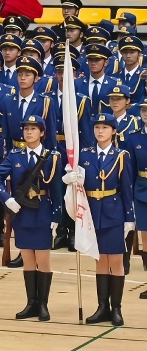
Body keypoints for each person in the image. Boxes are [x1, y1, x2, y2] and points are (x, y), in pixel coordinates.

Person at [0, 115, 62, 322]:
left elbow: (56, 188)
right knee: (28, 261)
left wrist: (57, 216)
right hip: (22, 211)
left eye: (33, 129)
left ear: (42, 133)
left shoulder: (52, 156)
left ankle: (43, 304)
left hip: (42, 210)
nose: (29, 132)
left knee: (43, 261)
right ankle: (31, 303)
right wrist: (7, 199)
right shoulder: (15, 156)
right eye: (26, 129)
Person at [67, 113, 133, 326]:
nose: (100, 131)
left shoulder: (121, 155)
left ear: (113, 131)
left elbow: (127, 188)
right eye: (97, 127)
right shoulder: (85, 155)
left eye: (105, 127)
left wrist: (129, 219)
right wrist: (71, 177)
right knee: (99, 260)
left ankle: (116, 308)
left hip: (114, 211)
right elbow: (78, 182)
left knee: (115, 261)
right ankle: (102, 307)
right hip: (92, 212)